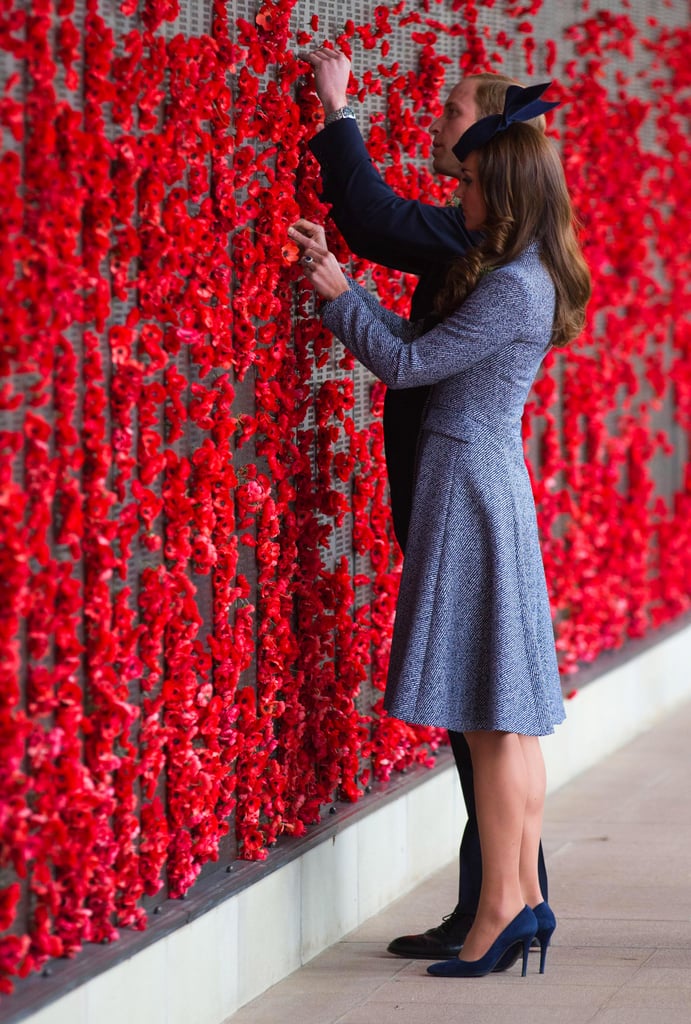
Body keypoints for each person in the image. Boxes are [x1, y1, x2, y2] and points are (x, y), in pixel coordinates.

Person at [289, 82, 591, 977]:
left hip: (466, 486)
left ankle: (501, 910)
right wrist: (339, 292)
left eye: (465, 187)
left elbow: (410, 364)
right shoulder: (525, 272)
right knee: (507, 719)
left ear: (499, 186)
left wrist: (343, 294)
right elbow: (426, 356)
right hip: (479, 482)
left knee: (493, 719)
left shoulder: (513, 285)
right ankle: (518, 905)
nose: (455, 202)